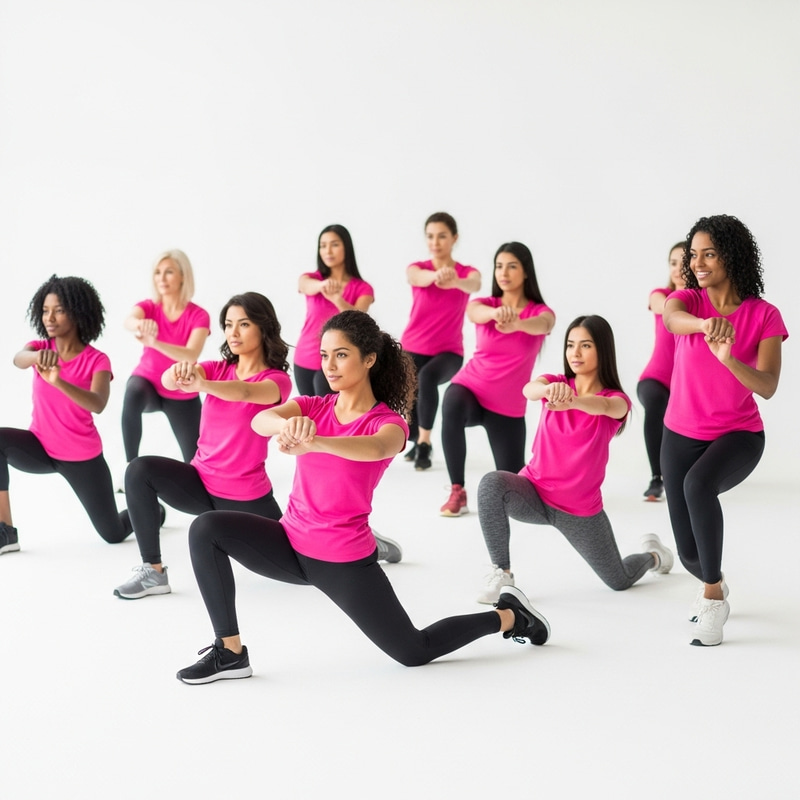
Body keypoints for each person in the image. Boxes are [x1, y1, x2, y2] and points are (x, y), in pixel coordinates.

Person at [175, 310, 550, 684]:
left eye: (341, 354)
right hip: (289, 544)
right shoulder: (314, 406)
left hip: (342, 561)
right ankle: (230, 654)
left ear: (368, 358)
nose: (329, 365)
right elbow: (260, 420)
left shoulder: (389, 424)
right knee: (206, 529)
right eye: (324, 355)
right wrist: (289, 423)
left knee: (413, 651)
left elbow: (372, 449)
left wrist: (314, 440)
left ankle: (510, 615)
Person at [475, 314, 674, 604]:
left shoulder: (616, 400)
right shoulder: (555, 384)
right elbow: (528, 389)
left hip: (579, 512)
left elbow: (606, 406)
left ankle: (655, 556)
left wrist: (574, 401)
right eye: (570, 345)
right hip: (533, 495)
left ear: (602, 351)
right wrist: (547, 390)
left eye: (585, 346)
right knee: (491, 483)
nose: (575, 353)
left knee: (618, 580)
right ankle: (502, 573)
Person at [113, 292, 292, 598]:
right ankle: (153, 572)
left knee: (299, 555)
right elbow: (170, 381)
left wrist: (203, 385)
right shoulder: (215, 368)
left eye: (243, 324)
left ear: (263, 328)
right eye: (228, 324)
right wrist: (178, 372)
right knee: (139, 470)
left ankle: (364, 542)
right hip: (199, 484)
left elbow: (245, 393)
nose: (233, 332)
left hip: (246, 498)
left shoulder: (276, 380)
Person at [661, 215, 787, 647]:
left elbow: (768, 386)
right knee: (690, 555)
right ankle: (712, 578)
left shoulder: (764, 315)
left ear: (731, 256)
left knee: (699, 486)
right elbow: (670, 318)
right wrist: (705, 326)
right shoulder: (689, 302)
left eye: (708, 253)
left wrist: (729, 359)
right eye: (694, 255)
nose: (698, 263)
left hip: (738, 436)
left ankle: (712, 599)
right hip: (678, 435)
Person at [0, 275, 130, 553]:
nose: (50, 317)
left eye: (59, 310)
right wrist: (36, 358)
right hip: (39, 448)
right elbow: (18, 359)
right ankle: (6, 531)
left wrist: (59, 381)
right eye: (46, 310)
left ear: (77, 312)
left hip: (82, 458)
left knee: (113, 534)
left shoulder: (97, 360)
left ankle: (153, 512)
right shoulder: (40, 349)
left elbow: (98, 403)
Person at [438, 242, 555, 516]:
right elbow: (473, 313)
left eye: (512, 266)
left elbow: (546, 324)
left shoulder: (539, 312)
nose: (504, 272)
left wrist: (518, 324)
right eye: (499, 266)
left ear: (526, 271)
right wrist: (495, 314)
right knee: (451, 402)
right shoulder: (485, 304)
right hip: (471, 389)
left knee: (516, 492)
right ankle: (457, 489)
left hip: (507, 408)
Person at [400, 212, 481, 471]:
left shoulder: (466, 273)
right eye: (431, 236)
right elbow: (416, 278)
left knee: (427, 378)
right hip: (412, 347)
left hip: (449, 352)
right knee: (408, 398)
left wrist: (454, 280)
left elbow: (474, 284)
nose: (435, 242)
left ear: (454, 238)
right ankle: (415, 438)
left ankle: (424, 443)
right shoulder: (418, 268)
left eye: (442, 236)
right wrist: (436, 277)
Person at [121, 250, 210, 474]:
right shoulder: (149, 307)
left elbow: (191, 355)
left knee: (196, 461)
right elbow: (129, 320)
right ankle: (130, 466)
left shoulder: (199, 315)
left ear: (182, 276)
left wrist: (155, 342)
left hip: (182, 390)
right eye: (158, 272)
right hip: (148, 383)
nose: (161, 278)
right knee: (132, 393)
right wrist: (139, 325)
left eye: (168, 272)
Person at [293, 225, 374, 396]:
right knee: (310, 414)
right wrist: (323, 285)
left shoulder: (363, 288)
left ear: (346, 247)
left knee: (330, 416)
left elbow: (358, 319)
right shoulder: (312, 279)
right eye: (323, 245)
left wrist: (337, 298)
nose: (327, 251)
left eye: (334, 244)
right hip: (305, 358)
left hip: (338, 363)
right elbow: (304, 285)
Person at [637, 242, 686, 501]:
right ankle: (657, 478)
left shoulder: (705, 301)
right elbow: (660, 305)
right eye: (673, 262)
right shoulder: (661, 294)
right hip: (654, 379)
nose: (678, 269)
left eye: (684, 262)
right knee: (657, 401)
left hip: (686, 386)